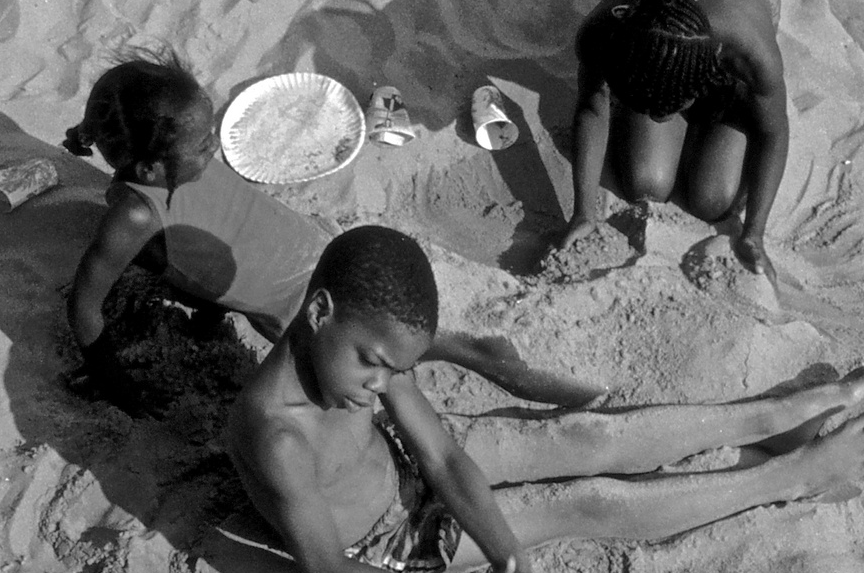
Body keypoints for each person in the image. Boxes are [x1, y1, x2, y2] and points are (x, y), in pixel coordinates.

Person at [224, 225, 864, 573]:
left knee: (583, 432)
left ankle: (761, 417)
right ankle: (789, 476)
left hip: (400, 464)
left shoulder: (365, 364)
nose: (381, 385)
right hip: (387, 541)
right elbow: (327, 572)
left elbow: (441, 455)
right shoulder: (278, 435)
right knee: (588, 501)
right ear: (317, 314)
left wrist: (508, 558)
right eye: (373, 365)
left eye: (395, 371)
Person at [63, 48, 605, 412]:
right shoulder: (135, 214)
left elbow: (191, 222)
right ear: (152, 168)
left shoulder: (152, 178)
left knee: (388, 357)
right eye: (204, 144)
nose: (216, 147)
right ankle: (485, 356)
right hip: (294, 286)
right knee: (383, 352)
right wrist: (113, 380)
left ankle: (486, 357)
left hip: (301, 277)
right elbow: (85, 302)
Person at [562, 0, 789, 282]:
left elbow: (773, 133)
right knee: (645, 182)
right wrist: (583, 213)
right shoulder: (603, 31)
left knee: (712, 200)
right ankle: (681, 111)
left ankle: (711, 116)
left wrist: (754, 233)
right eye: (650, 107)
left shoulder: (749, 50)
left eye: (668, 108)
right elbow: (593, 107)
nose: (657, 117)